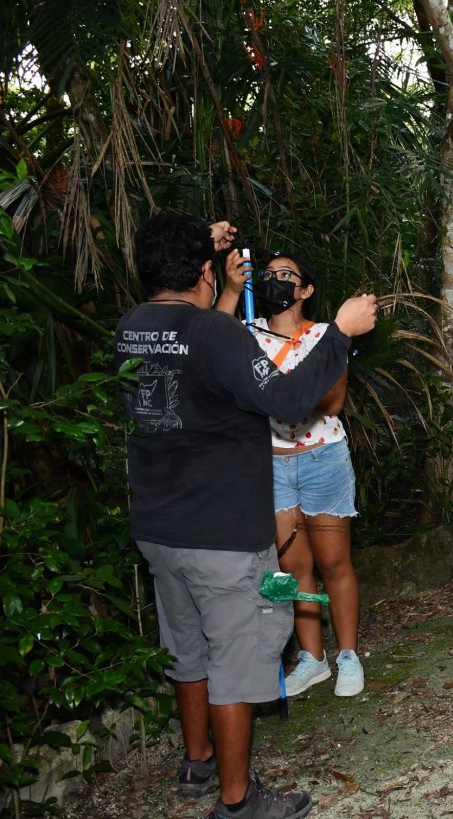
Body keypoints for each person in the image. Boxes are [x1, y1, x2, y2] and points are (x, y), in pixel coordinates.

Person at [115, 214, 377, 819]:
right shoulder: (218, 333)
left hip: (158, 526)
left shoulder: (132, 328)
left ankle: (197, 761)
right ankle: (237, 802)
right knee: (236, 655)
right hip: (223, 530)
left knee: (187, 650)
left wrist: (202, 249)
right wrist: (339, 332)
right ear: (206, 273)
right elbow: (286, 399)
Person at [216, 253, 365, 698]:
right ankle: (313, 658)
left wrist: (274, 389)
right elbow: (212, 340)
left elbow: (332, 401)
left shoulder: (327, 335)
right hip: (272, 463)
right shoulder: (245, 333)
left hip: (323, 459)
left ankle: (349, 656)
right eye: (269, 276)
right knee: (292, 566)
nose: (276, 281)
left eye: (287, 276)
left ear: (306, 290)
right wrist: (227, 287)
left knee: (334, 563)